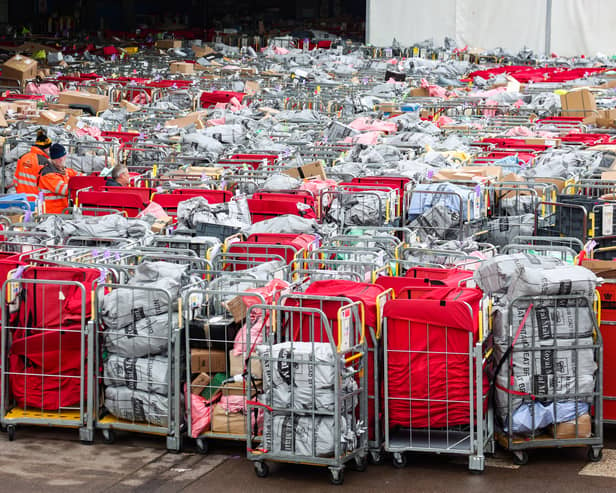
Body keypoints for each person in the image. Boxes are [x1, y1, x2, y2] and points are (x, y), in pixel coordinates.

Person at [37, 143, 79, 214]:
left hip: (63, 212)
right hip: (52, 215)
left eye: (63, 156)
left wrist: (88, 179)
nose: (61, 160)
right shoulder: (48, 175)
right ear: (53, 159)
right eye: (58, 158)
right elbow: (65, 190)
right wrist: (81, 186)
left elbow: (79, 176)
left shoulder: (63, 170)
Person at [14, 129, 52, 196]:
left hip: (22, 197)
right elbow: (46, 184)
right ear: (45, 147)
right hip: (35, 198)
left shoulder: (23, 157)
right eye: (49, 147)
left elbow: (16, 179)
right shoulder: (44, 161)